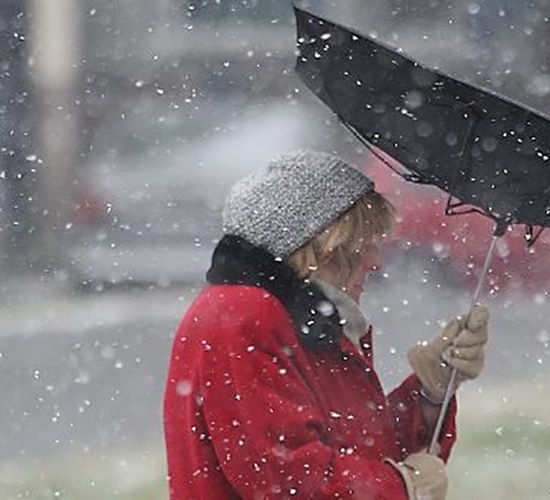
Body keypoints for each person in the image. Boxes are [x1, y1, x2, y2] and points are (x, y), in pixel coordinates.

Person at [163, 150, 490, 499]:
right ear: (323, 246)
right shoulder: (243, 314)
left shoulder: (303, 319)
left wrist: (428, 394)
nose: (376, 262)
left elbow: (359, 444)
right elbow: (285, 476)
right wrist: (402, 486)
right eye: (364, 245)